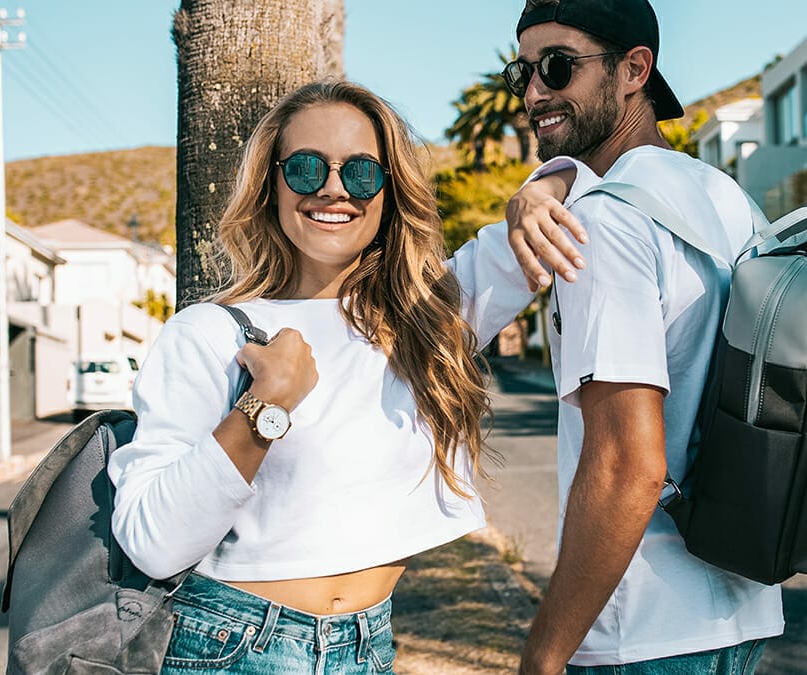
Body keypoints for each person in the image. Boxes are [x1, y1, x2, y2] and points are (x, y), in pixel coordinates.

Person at [107, 80, 572, 674]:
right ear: (271, 183)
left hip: (369, 645)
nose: (333, 187)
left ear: (388, 191)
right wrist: (266, 406)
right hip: (232, 648)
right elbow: (153, 543)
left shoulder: (429, 319)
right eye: (305, 168)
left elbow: (573, 195)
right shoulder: (210, 335)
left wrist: (541, 189)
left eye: (361, 172)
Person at [500, 1, 786, 673]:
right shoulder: (730, 201)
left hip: (643, 627)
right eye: (525, 71)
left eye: (558, 66)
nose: (535, 91)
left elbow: (630, 464)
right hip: (739, 608)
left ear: (635, 70)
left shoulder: (606, 223)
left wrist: (543, 654)